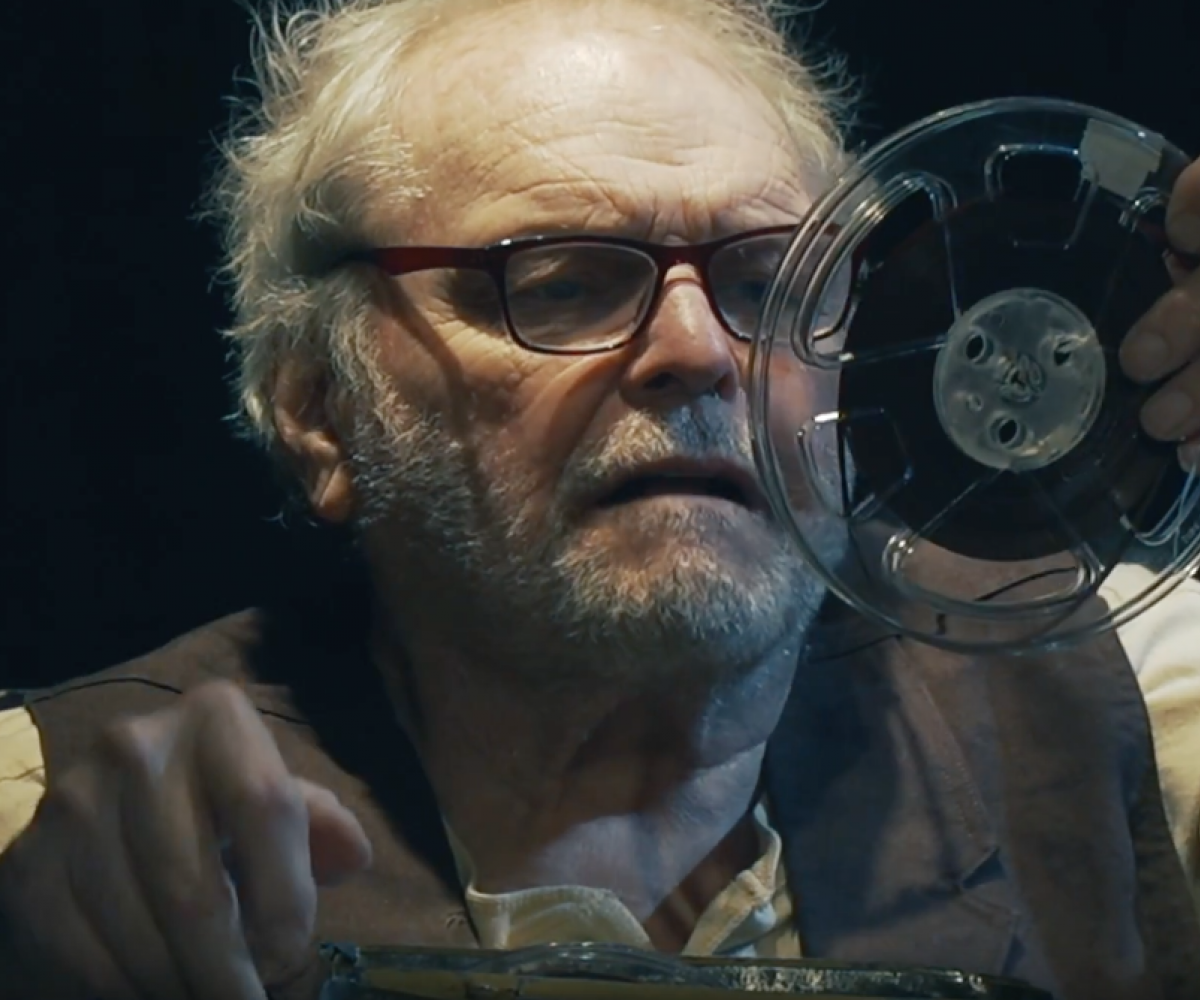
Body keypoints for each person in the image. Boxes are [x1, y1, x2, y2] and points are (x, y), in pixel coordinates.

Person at [1, 0, 1199, 998]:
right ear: (320, 408)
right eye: (561, 281)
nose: (699, 349)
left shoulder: (1129, 687)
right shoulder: (45, 816)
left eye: (768, 282)